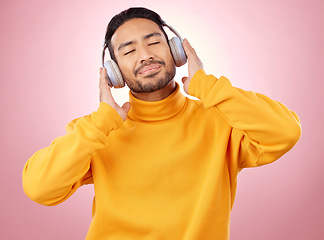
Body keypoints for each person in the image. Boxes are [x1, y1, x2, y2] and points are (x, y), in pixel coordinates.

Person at [22, 7, 301, 240]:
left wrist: (208, 86)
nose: (145, 55)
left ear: (176, 50)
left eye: (154, 42)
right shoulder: (95, 132)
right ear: (113, 71)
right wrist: (101, 123)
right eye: (129, 51)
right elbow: (39, 188)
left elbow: (285, 132)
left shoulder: (219, 118)